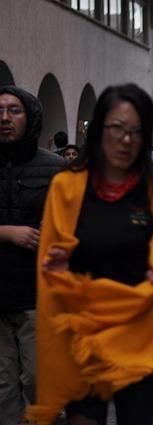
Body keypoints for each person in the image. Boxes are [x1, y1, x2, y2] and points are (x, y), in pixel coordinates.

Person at [27, 84, 153, 425]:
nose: (126, 139)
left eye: (136, 131)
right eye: (117, 128)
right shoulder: (67, 187)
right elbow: (52, 258)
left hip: (140, 333)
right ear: (99, 129)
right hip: (82, 334)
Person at [0, 86, 66, 425]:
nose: (5, 118)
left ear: (30, 117)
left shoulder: (55, 169)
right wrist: (7, 232)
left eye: (14, 111)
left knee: (40, 383)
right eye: (0, 111)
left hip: (38, 295)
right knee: (4, 390)